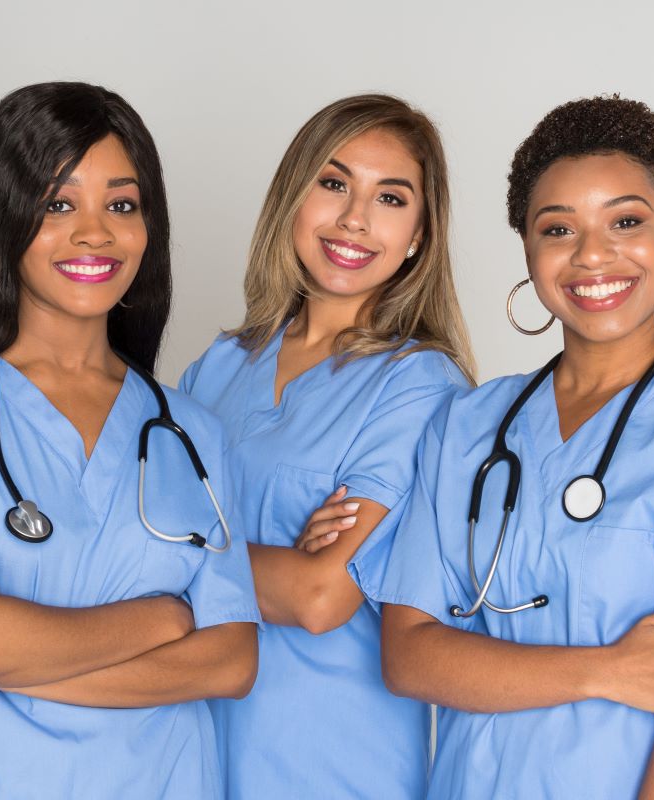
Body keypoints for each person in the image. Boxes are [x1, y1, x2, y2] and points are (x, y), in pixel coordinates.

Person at [0, 81, 261, 799]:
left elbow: (229, 661)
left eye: (122, 204)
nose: (94, 232)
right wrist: (163, 617)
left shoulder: (192, 432)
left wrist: (22, 648)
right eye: (58, 204)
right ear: (1, 218)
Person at [373, 95, 654, 798]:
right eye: (557, 229)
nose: (593, 255)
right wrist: (610, 669)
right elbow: (409, 657)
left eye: (627, 221)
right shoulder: (469, 424)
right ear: (528, 247)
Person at [180, 94, 473, 798]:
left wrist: (183, 556)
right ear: (292, 197)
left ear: (421, 237)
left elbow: (319, 596)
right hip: (186, 742)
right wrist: (270, 566)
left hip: (330, 762)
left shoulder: (418, 385)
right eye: (334, 183)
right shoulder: (217, 367)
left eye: (391, 198)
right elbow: (131, 538)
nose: (354, 219)